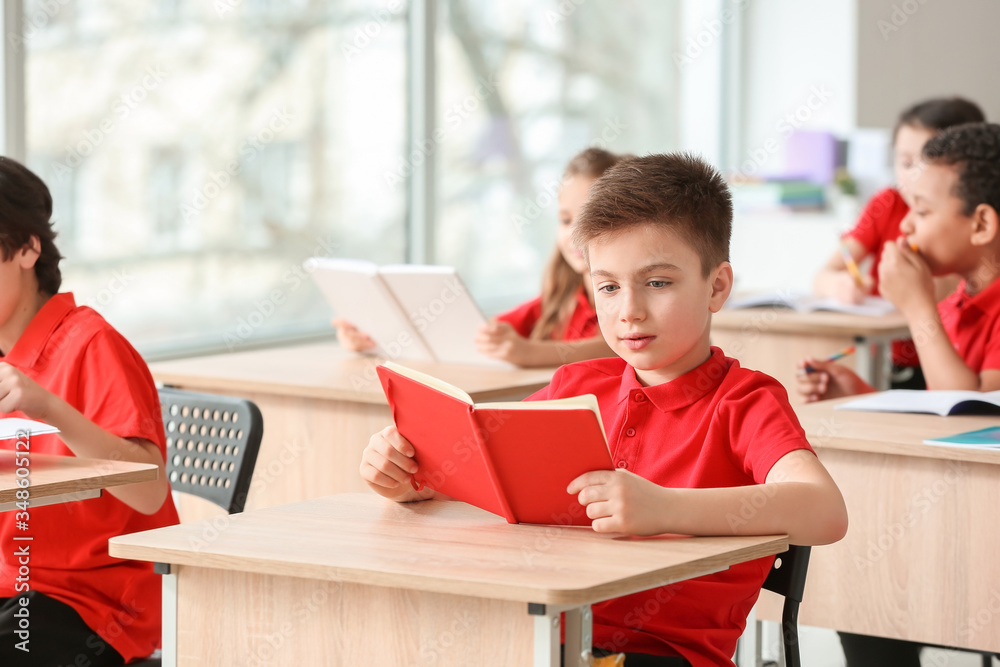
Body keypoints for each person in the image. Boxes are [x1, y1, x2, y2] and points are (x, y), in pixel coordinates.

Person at [361, 153, 848, 667]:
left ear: (717, 287)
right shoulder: (577, 384)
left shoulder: (744, 401)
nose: (629, 310)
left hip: (656, 655)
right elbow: (488, 466)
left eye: (657, 283)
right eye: (608, 287)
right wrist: (413, 475)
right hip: (545, 638)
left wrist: (665, 509)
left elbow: (824, 511)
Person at [799, 121, 1000, 667]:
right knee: (865, 600)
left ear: (981, 223)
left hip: (986, 520)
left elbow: (970, 412)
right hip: (949, 507)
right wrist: (859, 390)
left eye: (924, 212)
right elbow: (950, 401)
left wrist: (915, 306)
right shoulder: (958, 302)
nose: (906, 227)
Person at [0, 157, 178, 666]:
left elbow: (148, 492)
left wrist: (47, 405)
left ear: (28, 248)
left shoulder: (92, 345)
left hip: (95, 604)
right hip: (14, 586)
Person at [334, 147, 621, 367]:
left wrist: (531, 352)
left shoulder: (632, 300)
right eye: (565, 220)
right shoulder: (558, 301)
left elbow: (617, 347)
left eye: (589, 219)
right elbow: (479, 336)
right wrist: (375, 337)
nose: (573, 235)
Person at [813, 97, 984, 389]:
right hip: (891, 361)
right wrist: (841, 285)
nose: (912, 175)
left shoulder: (961, 224)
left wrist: (918, 292)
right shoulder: (887, 205)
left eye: (926, 162)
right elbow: (825, 273)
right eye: (905, 162)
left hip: (949, 360)